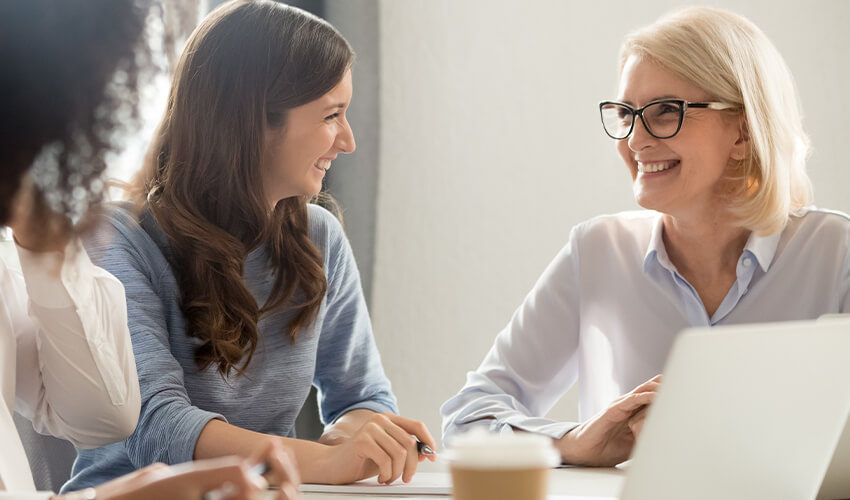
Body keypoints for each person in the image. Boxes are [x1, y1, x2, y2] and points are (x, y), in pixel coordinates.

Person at [441, 6, 850, 467]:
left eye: (665, 112)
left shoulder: (836, 254)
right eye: (626, 113)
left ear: (742, 132)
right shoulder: (598, 251)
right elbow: (467, 417)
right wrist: (572, 441)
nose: (635, 140)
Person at [63, 0, 437, 492]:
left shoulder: (320, 237)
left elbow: (362, 397)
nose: (347, 141)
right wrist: (325, 464)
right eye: (331, 115)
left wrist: (356, 437)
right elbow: (155, 425)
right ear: (253, 121)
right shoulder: (115, 238)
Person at [0, 1, 299, 499]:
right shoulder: (129, 233)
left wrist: (45, 237)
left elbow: (102, 416)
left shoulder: (24, 239)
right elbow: (141, 422)